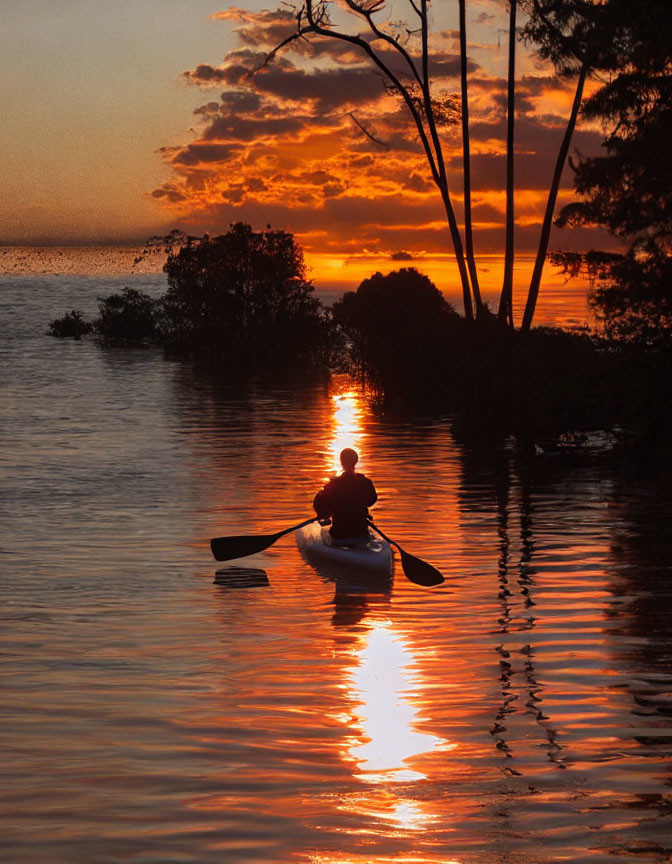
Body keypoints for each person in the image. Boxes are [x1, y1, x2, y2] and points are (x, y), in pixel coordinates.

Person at [313, 448, 377, 542]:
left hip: (339, 534)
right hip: (361, 532)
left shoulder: (333, 485)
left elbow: (319, 505)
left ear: (341, 462)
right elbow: (371, 501)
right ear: (356, 461)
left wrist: (323, 513)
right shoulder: (366, 482)